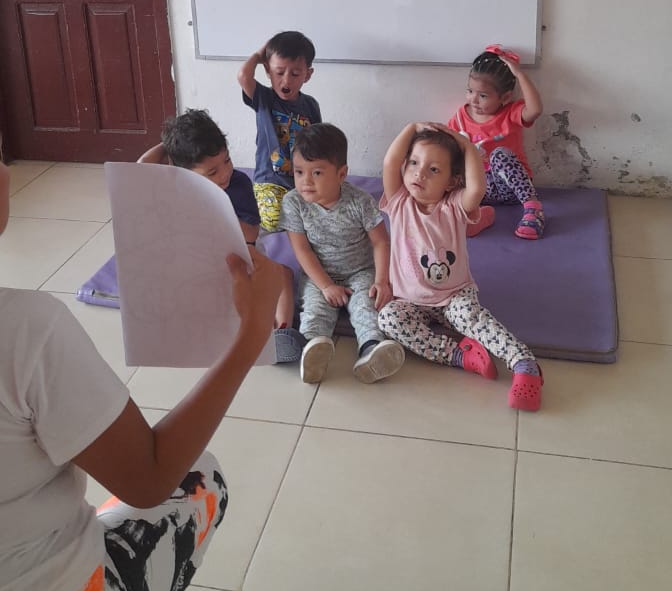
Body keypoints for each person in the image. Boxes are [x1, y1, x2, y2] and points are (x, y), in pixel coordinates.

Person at [0, 80, 282, 591]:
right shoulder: (19, 330)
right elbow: (149, 477)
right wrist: (249, 337)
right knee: (198, 479)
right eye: (0, 158)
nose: (8, 173)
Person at [376, 121, 543, 411]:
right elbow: (390, 162)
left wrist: (466, 145)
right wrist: (411, 127)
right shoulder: (399, 202)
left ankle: (523, 363)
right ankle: (458, 355)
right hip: (409, 300)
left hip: (454, 295)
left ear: (452, 182)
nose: (419, 173)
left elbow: (477, 188)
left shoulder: (453, 205)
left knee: (471, 317)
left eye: (433, 170)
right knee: (388, 319)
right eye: (413, 163)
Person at [143, 108, 301, 361]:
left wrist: (215, 215)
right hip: (199, 268)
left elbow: (250, 233)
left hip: (241, 255)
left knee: (282, 274)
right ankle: (242, 327)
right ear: (184, 173)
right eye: (212, 172)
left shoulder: (238, 184)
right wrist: (171, 145)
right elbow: (142, 168)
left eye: (227, 161)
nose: (225, 173)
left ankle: (282, 333)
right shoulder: (179, 187)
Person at [280, 123, 405, 386]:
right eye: (299, 172)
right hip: (319, 273)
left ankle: (371, 351)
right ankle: (312, 351)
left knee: (366, 306)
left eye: (316, 173)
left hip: (360, 271)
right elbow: (301, 249)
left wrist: (382, 281)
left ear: (341, 174)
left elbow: (381, 242)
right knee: (314, 310)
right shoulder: (293, 202)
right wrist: (326, 285)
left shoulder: (360, 201)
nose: (305, 181)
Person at [448, 47, 545, 239]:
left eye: (483, 96)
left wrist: (519, 74)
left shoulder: (511, 113)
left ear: (505, 97)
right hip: (477, 191)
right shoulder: (460, 117)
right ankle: (476, 217)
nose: (474, 100)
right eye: (470, 91)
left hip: (510, 188)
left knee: (500, 154)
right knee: (447, 166)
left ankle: (533, 209)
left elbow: (535, 110)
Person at [238, 31, 321, 234]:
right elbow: (243, 76)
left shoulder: (310, 105)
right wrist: (259, 55)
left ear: (308, 75)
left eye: (295, 74)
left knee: (323, 215)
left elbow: (318, 143)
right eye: (279, 72)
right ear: (268, 70)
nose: (286, 80)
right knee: (273, 221)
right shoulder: (264, 98)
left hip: (301, 182)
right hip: (270, 181)